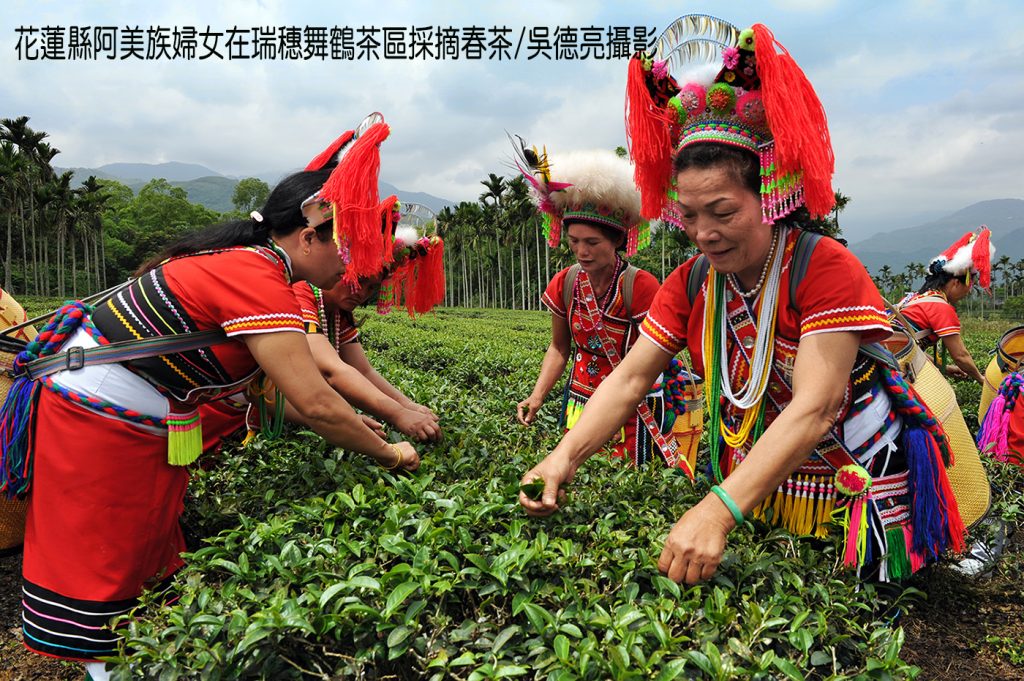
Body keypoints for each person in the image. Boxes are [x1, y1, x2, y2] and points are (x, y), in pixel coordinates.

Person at [519, 17, 967, 585]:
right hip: (758, 466)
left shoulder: (824, 267)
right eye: (689, 215)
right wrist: (563, 457)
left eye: (723, 212)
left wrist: (716, 509)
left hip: (848, 464)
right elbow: (631, 380)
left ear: (770, 194)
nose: (704, 232)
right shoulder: (690, 281)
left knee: (862, 608)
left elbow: (817, 405)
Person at [0, 118, 420, 675]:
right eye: (344, 249)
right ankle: (103, 669)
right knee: (104, 558)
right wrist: (389, 451)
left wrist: (375, 426)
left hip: (138, 419)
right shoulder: (256, 277)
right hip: (97, 420)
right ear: (307, 236)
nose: (350, 267)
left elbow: (272, 396)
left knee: (145, 542)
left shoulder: (258, 268)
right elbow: (316, 400)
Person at [513, 147, 673, 466]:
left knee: (628, 484)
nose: (581, 251)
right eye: (574, 241)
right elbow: (559, 348)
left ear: (616, 241)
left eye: (592, 243)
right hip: (581, 397)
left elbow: (654, 359)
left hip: (632, 402)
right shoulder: (565, 283)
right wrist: (537, 395)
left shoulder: (640, 286)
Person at [896, 228, 994, 384]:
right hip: (892, 367)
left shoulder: (913, 299)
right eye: (968, 286)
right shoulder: (941, 307)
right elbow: (960, 356)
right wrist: (981, 379)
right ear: (955, 283)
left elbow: (910, 349)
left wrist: (945, 368)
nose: (968, 292)